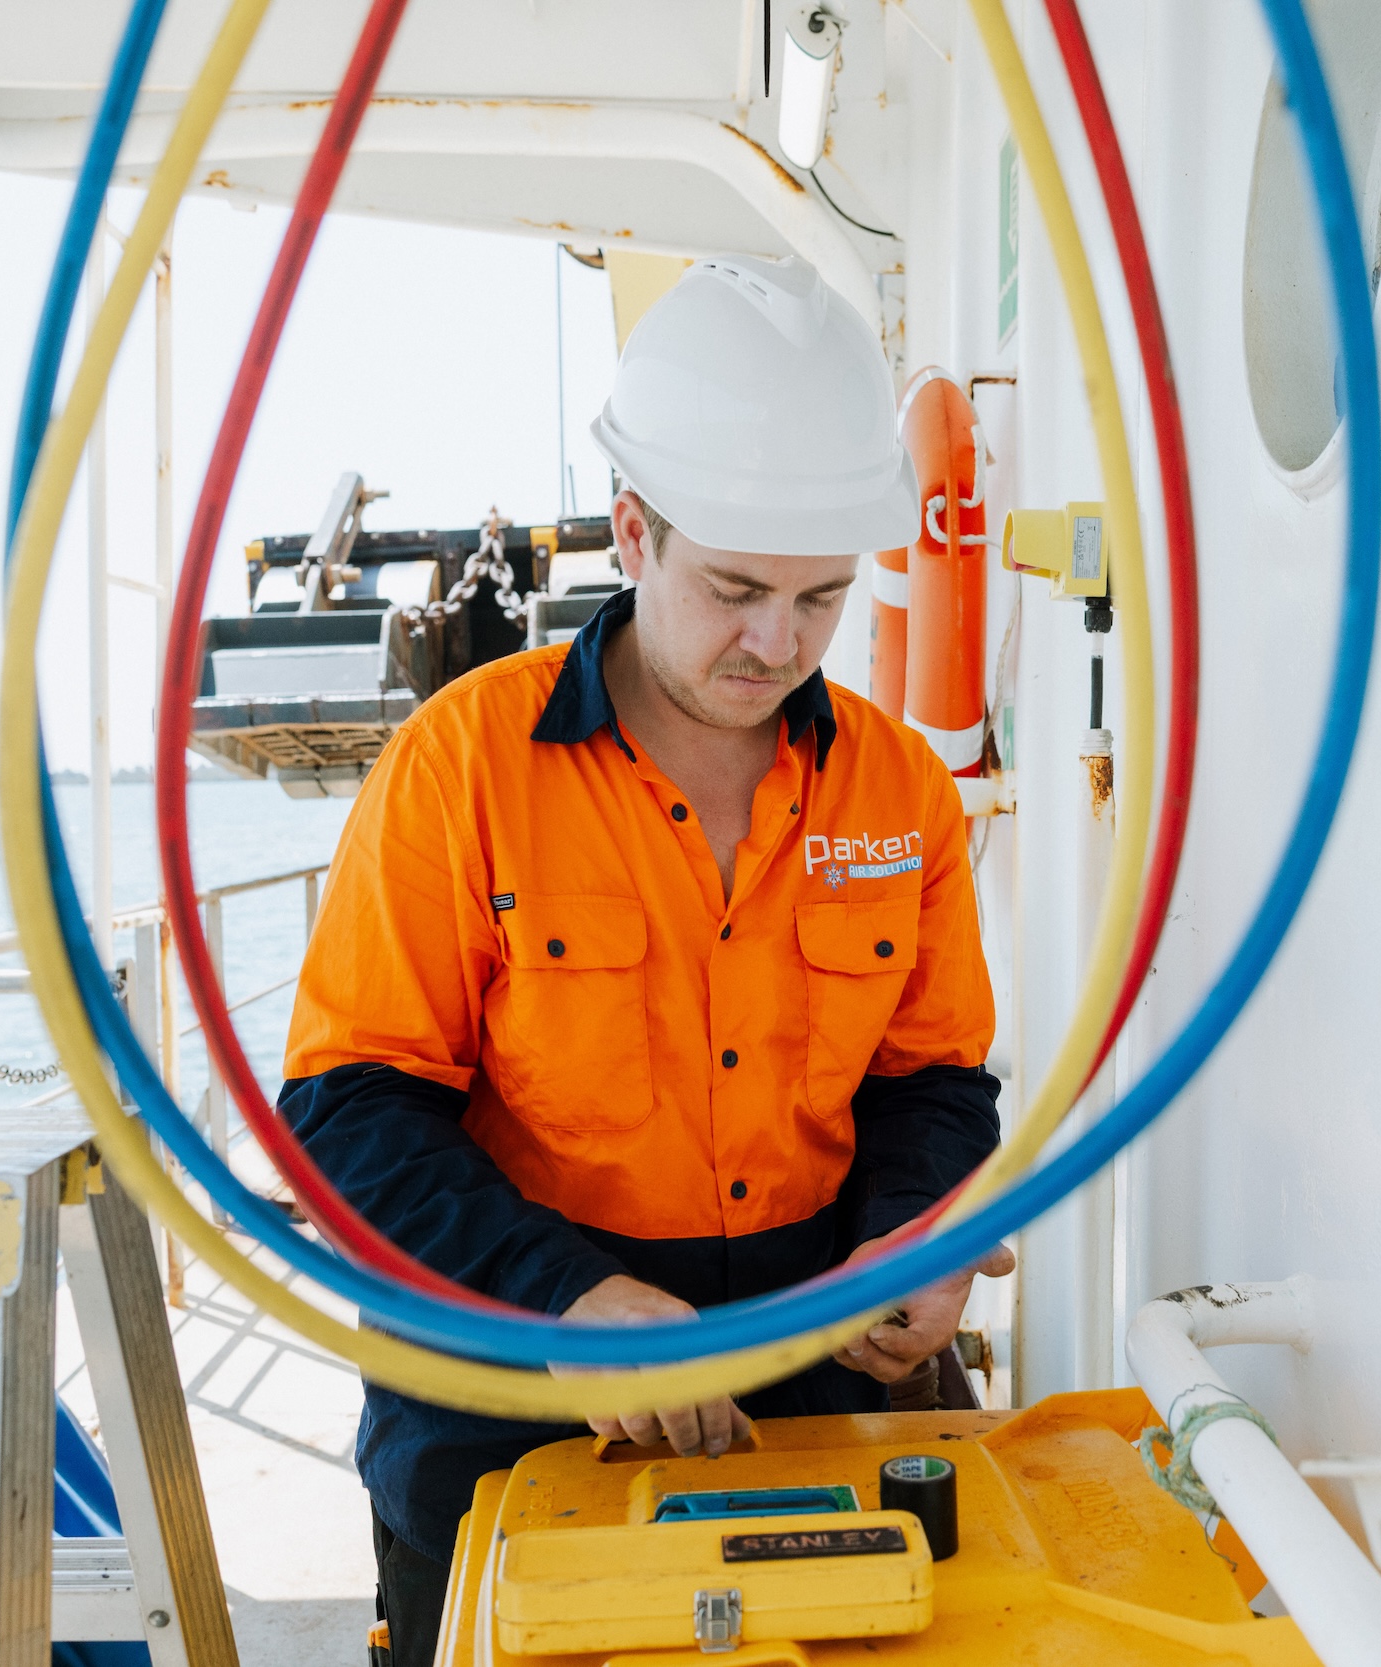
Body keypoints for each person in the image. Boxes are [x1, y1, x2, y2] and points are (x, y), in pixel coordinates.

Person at [278, 255, 1011, 1665]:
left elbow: (933, 1082)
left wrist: (917, 1233)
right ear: (633, 531)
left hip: (822, 1379)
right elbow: (350, 1112)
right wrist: (572, 1302)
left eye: (821, 601)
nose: (776, 643)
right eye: (737, 588)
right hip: (512, 1390)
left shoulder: (900, 793)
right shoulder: (458, 768)